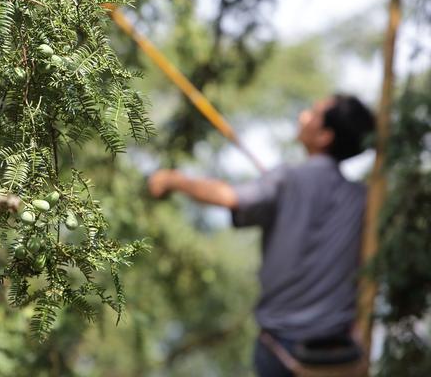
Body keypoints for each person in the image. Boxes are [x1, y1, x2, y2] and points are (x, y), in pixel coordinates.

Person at [147, 94, 376, 377]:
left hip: (281, 349)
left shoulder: (289, 178)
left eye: (313, 113)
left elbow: (230, 197)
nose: (303, 116)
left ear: (325, 136)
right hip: (339, 355)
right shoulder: (364, 199)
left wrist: (174, 180)